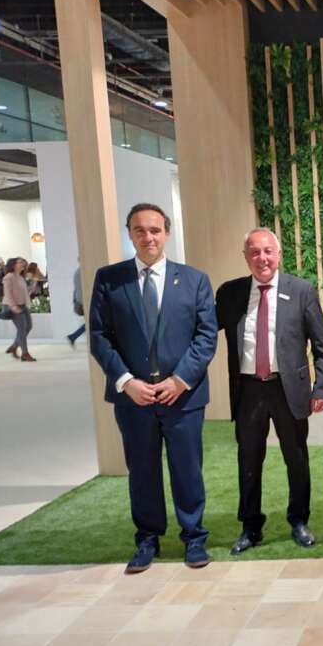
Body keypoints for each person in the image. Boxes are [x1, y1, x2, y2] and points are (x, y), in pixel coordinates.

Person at [90, 202, 218, 574]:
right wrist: (126, 382)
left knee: (187, 469)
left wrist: (180, 379)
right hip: (134, 398)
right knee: (142, 470)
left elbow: (206, 337)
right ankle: (147, 539)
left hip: (183, 396)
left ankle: (194, 537)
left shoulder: (194, 280)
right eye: (140, 230)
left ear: (167, 233)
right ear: (130, 234)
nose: (148, 237)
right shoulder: (110, 279)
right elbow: (99, 337)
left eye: (155, 230)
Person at [216, 228, 323, 555]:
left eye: (268, 251)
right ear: (246, 257)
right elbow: (203, 330)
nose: (262, 258)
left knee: (296, 457)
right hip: (248, 390)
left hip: (288, 389)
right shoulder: (231, 293)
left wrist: (321, 386)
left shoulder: (301, 291)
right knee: (249, 460)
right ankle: (250, 526)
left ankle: (299, 520)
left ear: (278, 254)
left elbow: (321, 345)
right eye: (254, 252)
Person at [2, 257, 35, 362]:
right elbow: (8, 293)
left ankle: (14, 346)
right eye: (20, 262)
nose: (22, 264)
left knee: (28, 327)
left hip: (22, 305)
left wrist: (32, 286)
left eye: (23, 262)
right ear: (13, 265)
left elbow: (23, 292)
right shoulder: (9, 277)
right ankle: (25, 353)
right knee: (21, 329)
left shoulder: (20, 277)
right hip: (12, 305)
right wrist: (13, 306)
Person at [68, 265, 86, 347]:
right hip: (83, 301)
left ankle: (73, 336)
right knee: (91, 322)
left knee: (90, 322)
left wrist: (75, 301)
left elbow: (76, 289)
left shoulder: (77, 272)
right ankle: (73, 336)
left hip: (80, 301)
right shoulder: (83, 271)